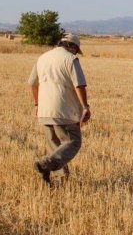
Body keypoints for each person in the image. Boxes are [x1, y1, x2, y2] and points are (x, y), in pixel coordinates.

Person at [27, 33, 91, 184]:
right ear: (73, 47)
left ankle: (59, 178)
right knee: (73, 142)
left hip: (44, 110)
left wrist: (36, 104)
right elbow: (79, 85)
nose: (76, 53)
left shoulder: (42, 58)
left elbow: (31, 84)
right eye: (76, 50)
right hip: (64, 109)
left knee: (55, 145)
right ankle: (46, 164)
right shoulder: (70, 59)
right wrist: (85, 107)